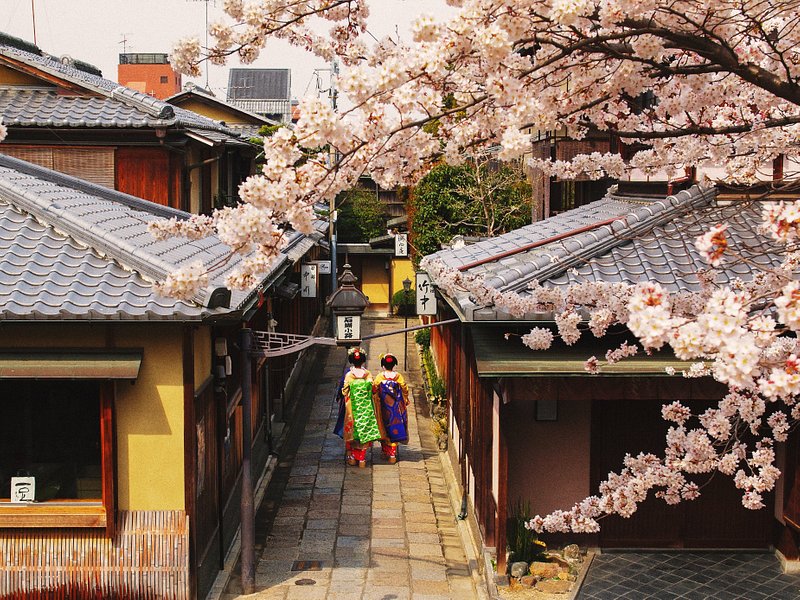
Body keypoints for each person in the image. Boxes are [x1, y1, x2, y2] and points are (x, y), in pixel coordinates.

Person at [338, 347, 386, 467]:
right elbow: (373, 388)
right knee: (365, 430)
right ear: (363, 361)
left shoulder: (349, 375)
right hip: (366, 407)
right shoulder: (367, 374)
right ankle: (362, 459)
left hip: (352, 408)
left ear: (351, 361)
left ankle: (353, 457)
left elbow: (344, 391)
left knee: (354, 431)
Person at [373, 353, 410, 464]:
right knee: (395, 426)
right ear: (394, 364)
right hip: (396, 407)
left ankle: (385, 451)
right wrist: (405, 399)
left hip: (384, 407)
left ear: (383, 365)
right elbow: (404, 388)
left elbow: (374, 387)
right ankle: (392, 455)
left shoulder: (380, 376)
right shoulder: (398, 376)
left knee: (383, 426)